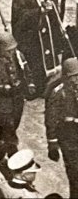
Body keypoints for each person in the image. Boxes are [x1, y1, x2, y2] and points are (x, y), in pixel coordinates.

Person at [11, 0, 63, 95]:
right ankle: (38, 89)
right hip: (32, 35)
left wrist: (50, 4)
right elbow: (21, 16)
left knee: (49, 56)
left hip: (47, 30)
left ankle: (50, 84)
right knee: (36, 61)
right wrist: (39, 11)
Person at [0, 31, 35, 147]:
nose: (11, 52)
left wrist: (30, 84)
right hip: (1, 101)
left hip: (17, 98)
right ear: (0, 49)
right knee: (8, 128)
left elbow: (26, 71)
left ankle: (3, 144)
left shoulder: (18, 56)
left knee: (14, 125)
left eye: (13, 49)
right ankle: (10, 149)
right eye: (8, 50)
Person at [45, 57, 78, 198]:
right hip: (68, 137)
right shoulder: (58, 93)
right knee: (74, 174)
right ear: (66, 76)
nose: (76, 80)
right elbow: (51, 120)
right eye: (73, 77)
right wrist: (52, 143)